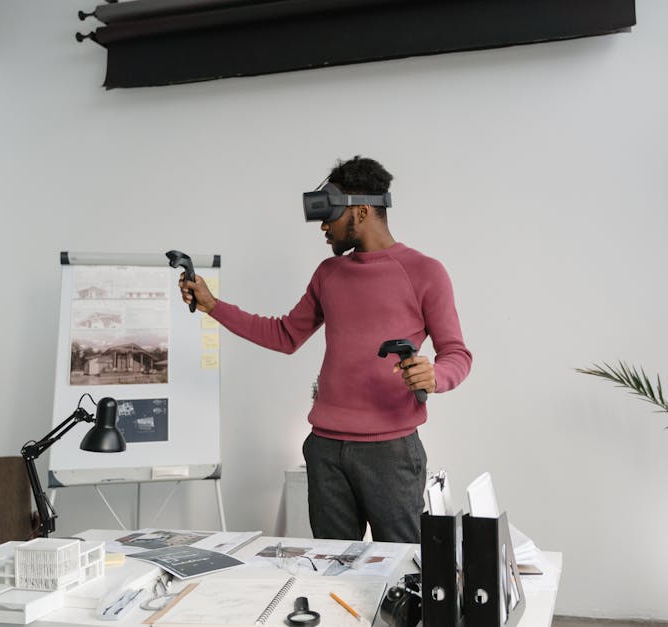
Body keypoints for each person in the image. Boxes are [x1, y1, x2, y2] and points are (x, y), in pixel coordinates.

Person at [178, 156, 472, 543]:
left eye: (330, 214)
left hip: (390, 453)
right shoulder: (328, 274)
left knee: (403, 570)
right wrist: (213, 305)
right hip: (325, 448)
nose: (324, 227)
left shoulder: (424, 271)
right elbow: (285, 335)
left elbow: (457, 354)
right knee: (333, 567)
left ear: (362, 211)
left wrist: (436, 375)